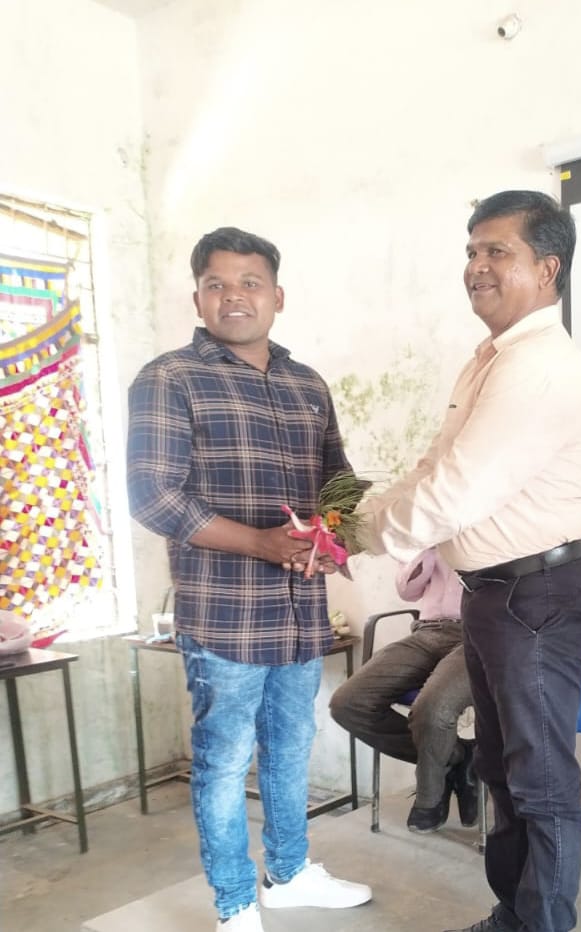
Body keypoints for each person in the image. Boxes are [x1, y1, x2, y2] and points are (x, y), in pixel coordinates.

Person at [355, 190, 581, 932]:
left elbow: (454, 493)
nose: (477, 267)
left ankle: (543, 925)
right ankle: (514, 916)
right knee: (502, 768)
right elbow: (435, 468)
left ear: (548, 268)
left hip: (540, 595)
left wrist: (358, 539)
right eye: (471, 251)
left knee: (539, 780)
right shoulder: (490, 362)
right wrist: (358, 521)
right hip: (498, 596)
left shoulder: (539, 367)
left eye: (498, 251)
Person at [126, 227, 371, 932]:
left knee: (290, 750)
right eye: (217, 284)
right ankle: (235, 903)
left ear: (277, 296)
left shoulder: (306, 383)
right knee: (225, 762)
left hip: (299, 611)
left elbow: (339, 483)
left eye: (250, 282)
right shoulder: (168, 379)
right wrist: (262, 543)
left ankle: (288, 874)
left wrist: (335, 539)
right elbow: (154, 496)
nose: (234, 296)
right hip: (224, 616)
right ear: (198, 298)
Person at [329, 547, 478, 832]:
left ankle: (429, 798)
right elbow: (408, 592)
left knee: (432, 708)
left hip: (478, 634)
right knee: (348, 703)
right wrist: (425, 548)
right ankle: (458, 756)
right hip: (427, 632)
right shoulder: (429, 531)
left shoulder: (496, 529)